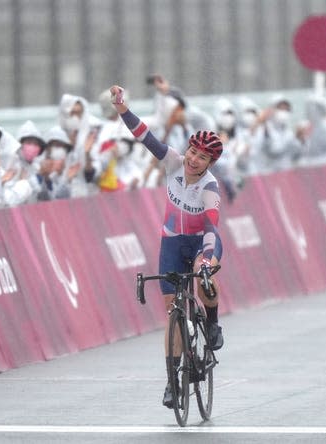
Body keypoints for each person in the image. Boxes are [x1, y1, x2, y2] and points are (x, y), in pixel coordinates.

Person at [109, 84, 224, 409]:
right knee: (173, 312)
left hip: (203, 240)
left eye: (202, 158)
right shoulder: (173, 161)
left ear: (209, 162)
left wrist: (205, 259)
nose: (193, 160)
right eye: (193, 153)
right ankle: (174, 382)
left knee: (206, 279)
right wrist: (122, 109)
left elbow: (212, 226)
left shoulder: (210, 188)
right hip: (172, 242)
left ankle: (213, 322)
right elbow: (146, 137)